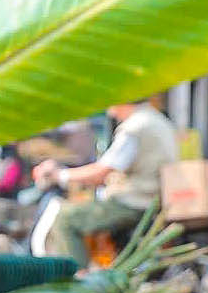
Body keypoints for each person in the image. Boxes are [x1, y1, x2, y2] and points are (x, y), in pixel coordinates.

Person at [40, 98, 180, 265]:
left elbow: (101, 172)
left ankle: (77, 282)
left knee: (66, 218)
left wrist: (60, 175)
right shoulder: (157, 120)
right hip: (155, 199)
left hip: (135, 202)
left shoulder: (134, 127)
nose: (109, 110)